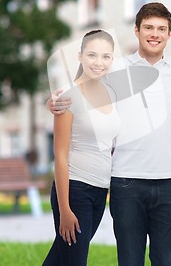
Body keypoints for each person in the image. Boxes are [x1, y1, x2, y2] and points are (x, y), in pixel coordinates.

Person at [49, 2, 171, 266]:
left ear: (169, 34)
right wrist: (55, 101)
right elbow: (79, 88)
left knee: (168, 260)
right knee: (129, 260)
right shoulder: (113, 67)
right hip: (126, 182)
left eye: (162, 29)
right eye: (148, 27)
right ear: (137, 31)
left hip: (170, 181)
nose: (155, 34)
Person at [42, 30, 121, 266]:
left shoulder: (112, 93)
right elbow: (60, 154)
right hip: (75, 191)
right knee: (74, 261)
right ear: (80, 56)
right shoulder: (68, 97)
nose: (99, 62)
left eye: (106, 56)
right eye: (92, 55)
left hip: (99, 191)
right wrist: (64, 209)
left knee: (61, 259)